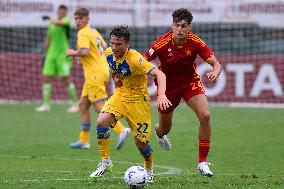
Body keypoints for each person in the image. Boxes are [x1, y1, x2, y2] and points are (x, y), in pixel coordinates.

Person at [144, 8, 222, 177]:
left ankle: (202, 163)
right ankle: (159, 133)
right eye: (176, 25)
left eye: (183, 26)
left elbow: (216, 64)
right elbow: (143, 63)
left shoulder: (195, 42)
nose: (179, 29)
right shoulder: (161, 44)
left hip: (189, 83)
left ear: (189, 28)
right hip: (167, 88)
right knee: (164, 129)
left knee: (205, 115)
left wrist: (215, 72)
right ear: (172, 26)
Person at [89, 25, 172, 182]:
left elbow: (160, 74)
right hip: (120, 97)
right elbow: (113, 67)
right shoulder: (109, 53)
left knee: (141, 144)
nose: (114, 47)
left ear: (127, 44)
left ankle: (149, 169)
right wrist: (115, 77)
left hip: (138, 102)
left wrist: (161, 95)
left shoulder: (136, 59)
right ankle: (105, 162)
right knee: (101, 122)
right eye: (112, 43)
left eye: (118, 44)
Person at [66, 8, 130, 150]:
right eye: (76, 18)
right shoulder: (94, 32)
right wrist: (83, 59)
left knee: (99, 106)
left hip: (94, 73)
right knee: (83, 105)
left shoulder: (83, 32)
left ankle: (121, 130)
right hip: (98, 71)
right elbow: (102, 50)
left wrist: (72, 53)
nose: (78, 21)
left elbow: (84, 51)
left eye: (80, 18)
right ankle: (84, 140)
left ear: (87, 19)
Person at [36, 5, 79, 113]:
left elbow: (58, 23)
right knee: (46, 77)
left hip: (62, 55)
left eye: (63, 12)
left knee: (66, 78)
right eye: (60, 12)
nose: (62, 13)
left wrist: (49, 18)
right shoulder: (52, 24)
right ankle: (46, 105)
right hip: (51, 55)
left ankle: (75, 103)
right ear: (58, 12)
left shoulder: (66, 21)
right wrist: (44, 54)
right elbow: (49, 39)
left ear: (65, 13)